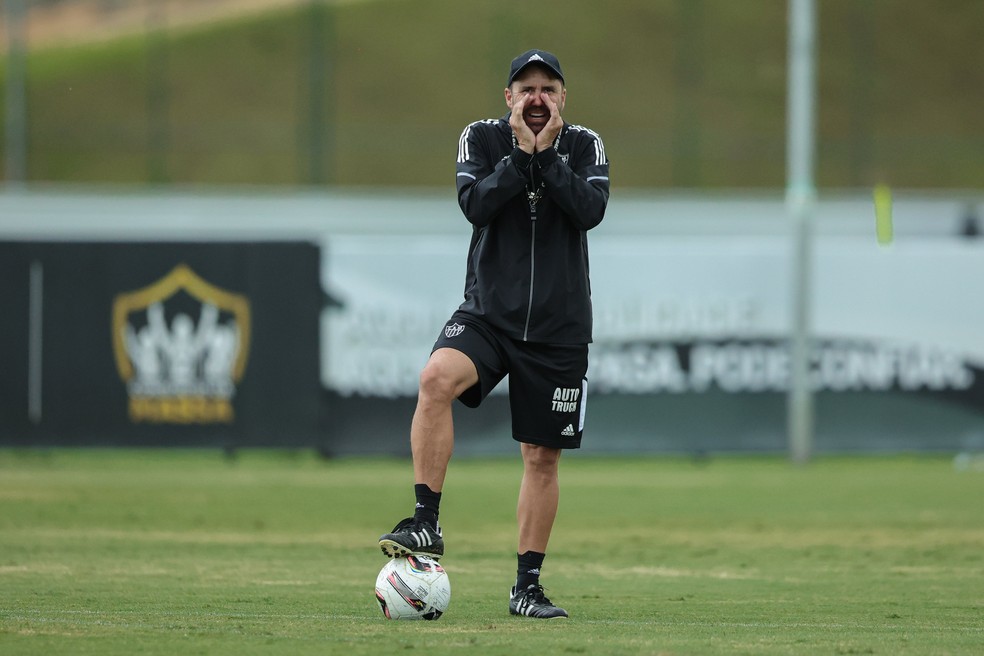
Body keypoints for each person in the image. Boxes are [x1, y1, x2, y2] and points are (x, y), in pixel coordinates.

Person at [378, 48, 610, 619]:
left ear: (563, 99)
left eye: (548, 90)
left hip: (558, 327)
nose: (537, 99)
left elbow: (591, 210)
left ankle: (526, 588)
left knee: (542, 458)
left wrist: (548, 157)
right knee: (435, 378)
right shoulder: (480, 138)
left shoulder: (585, 145)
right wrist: (519, 158)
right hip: (490, 314)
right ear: (508, 98)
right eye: (526, 89)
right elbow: (474, 204)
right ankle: (425, 523)